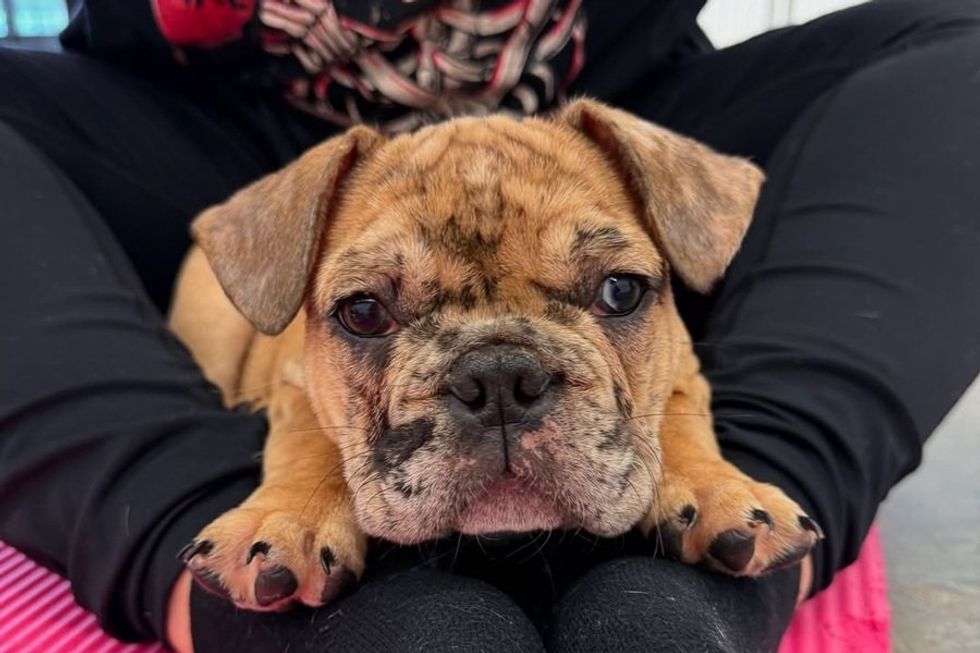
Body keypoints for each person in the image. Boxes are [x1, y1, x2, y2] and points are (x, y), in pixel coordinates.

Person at [2, 1, 979, 651]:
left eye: (609, 291)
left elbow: (670, 364)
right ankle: (230, 567)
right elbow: (296, 375)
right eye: (368, 310)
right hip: (218, 116)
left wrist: (684, 438)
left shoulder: (637, 169)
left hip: (603, 102)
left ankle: (738, 533)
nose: (498, 389)